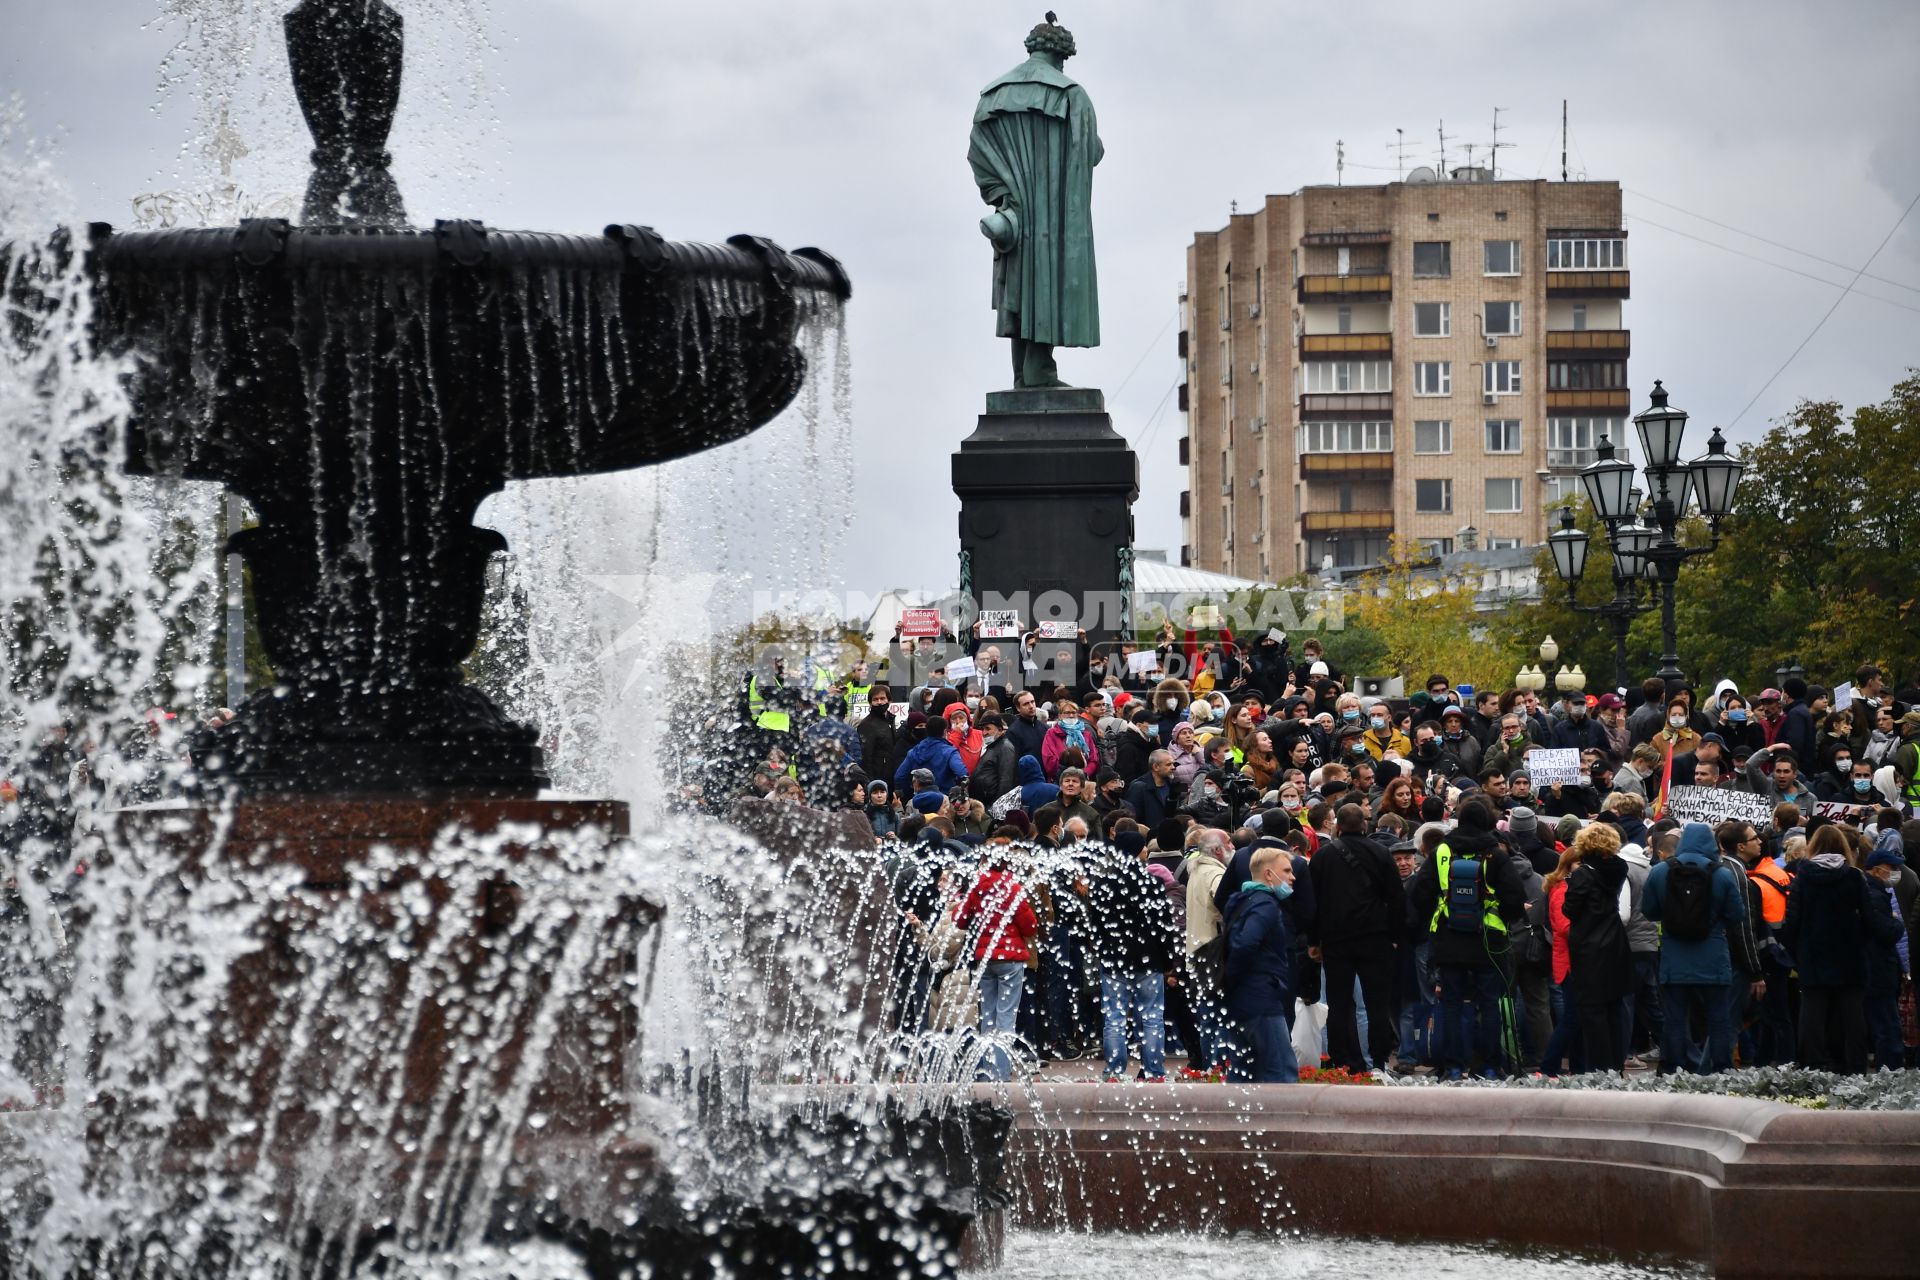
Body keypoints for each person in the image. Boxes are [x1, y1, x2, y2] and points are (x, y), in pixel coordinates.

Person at [969, 15, 1103, 389]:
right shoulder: (1071, 95)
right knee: (1045, 283)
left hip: (1014, 215)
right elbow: (1090, 151)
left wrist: (1002, 196)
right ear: (1062, 56)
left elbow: (977, 154)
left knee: (1020, 288)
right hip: (1057, 215)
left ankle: (1024, 375)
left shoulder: (992, 96)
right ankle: (1039, 372)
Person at [1406, 796, 1527, 1080]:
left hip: (1449, 940)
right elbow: (1515, 898)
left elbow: (1419, 894)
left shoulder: (1442, 851)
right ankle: (1488, 1066)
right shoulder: (1495, 854)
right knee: (1489, 1004)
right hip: (1488, 941)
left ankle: (1453, 1065)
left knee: (1451, 1004)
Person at [1779, 824, 1896, 1073]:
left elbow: (1792, 921)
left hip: (1813, 953)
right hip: (1850, 954)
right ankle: (1855, 1066)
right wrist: (1863, 940)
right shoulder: (1854, 876)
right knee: (1853, 1014)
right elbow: (1869, 918)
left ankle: (1813, 1065)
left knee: (1812, 1012)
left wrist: (1798, 949)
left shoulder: (1804, 876)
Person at [1641, 821, 1746, 1074]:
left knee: (1675, 1018)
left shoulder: (1660, 872)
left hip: (1674, 957)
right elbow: (1736, 915)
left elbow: (1649, 911)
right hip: (1713, 957)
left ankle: (1674, 1068)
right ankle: (1721, 1069)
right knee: (1718, 1018)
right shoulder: (1722, 874)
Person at [1308, 803, 1406, 1074]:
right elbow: (1396, 898)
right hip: (1375, 938)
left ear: (1337, 826)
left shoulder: (1323, 857)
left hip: (1336, 939)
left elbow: (1313, 903)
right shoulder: (1381, 853)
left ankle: (1341, 1061)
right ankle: (1378, 1061)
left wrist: (1314, 941)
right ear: (1365, 825)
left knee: (1339, 1004)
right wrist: (1395, 935)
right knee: (1377, 1004)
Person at [1085, 839, 1183, 1082]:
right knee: (1152, 1017)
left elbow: (1095, 923)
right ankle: (1153, 1070)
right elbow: (1164, 925)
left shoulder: (1105, 883)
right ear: (1141, 852)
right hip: (1148, 960)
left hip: (1114, 960)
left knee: (1115, 1017)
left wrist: (1101, 950)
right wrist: (1168, 959)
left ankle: (1115, 1071)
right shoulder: (1151, 883)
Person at [955, 848, 1040, 1081]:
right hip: (1011, 959)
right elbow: (1030, 925)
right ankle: (1000, 1074)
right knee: (1006, 1018)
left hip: (984, 958)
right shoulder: (1012, 887)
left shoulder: (977, 886)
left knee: (988, 1018)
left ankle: (985, 1073)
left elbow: (960, 919)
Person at [1558, 822, 1633, 1072]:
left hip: (1589, 946)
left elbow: (1570, 909)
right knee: (1614, 1008)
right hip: (1615, 942)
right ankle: (1615, 1065)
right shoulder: (1620, 867)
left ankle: (1598, 1069)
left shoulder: (1583, 873)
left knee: (1592, 1011)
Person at [1223, 846, 1301, 1083]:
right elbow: (1246, 943)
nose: (1292, 876)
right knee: (1281, 1071)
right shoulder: (1265, 905)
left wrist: (1231, 982)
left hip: (1240, 998)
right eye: (1286, 871)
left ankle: (1236, 1120)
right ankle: (1282, 1121)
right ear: (1269, 874)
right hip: (1261, 998)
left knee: (1242, 1071)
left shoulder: (1240, 901)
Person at [1125, 749, 1176, 827]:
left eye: (1173, 764)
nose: (1173, 767)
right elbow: (1132, 819)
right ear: (1155, 767)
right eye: (1168, 764)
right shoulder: (1138, 787)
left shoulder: (1172, 785)